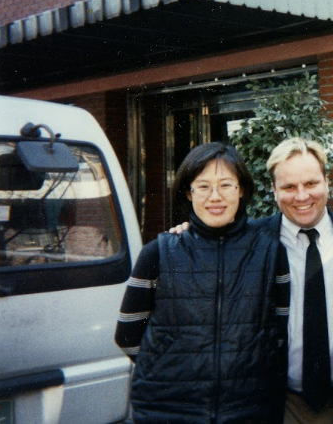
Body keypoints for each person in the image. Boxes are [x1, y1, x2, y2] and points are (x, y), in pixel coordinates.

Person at [114, 142, 285, 424]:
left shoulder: (269, 252)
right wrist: (168, 367)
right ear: (189, 192)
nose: (214, 197)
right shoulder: (159, 252)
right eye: (203, 186)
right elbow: (127, 334)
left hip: (250, 410)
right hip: (168, 411)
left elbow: (278, 333)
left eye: (226, 185)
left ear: (241, 189)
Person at [260, 137, 333, 424]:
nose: (301, 196)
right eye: (288, 187)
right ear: (273, 190)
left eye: (311, 184)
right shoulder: (253, 241)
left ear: (326, 182)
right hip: (281, 403)